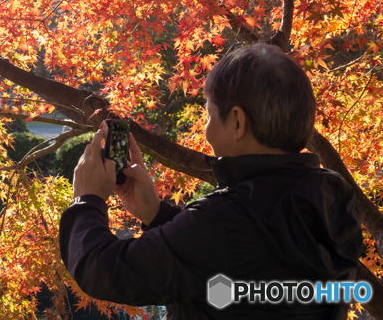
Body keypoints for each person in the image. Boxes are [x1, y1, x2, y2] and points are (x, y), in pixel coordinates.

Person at [59, 42, 363, 319]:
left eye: (208, 115)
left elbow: (100, 269)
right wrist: (156, 213)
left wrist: (86, 201)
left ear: (237, 122)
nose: (206, 129)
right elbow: (240, 261)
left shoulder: (224, 222)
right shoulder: (332, 197)